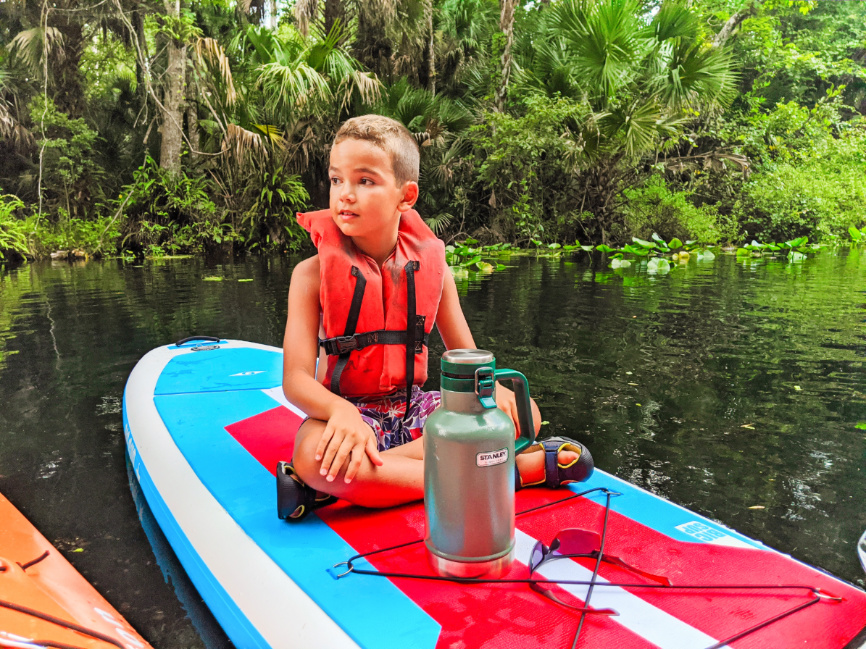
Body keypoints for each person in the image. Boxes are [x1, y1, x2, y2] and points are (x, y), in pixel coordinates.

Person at [279, 115, 593, 520]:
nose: (345, 195)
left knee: (522, 409)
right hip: (348, 415)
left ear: (405, 196)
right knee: (311, 457)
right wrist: (341, 413)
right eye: (336, 180)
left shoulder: (433, 269)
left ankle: (376, 476)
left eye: (365, 181)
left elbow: (466, 354)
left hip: (415, 411)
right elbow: (296, 380)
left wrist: (491, 390)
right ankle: (509, 472)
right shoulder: (310, 274)